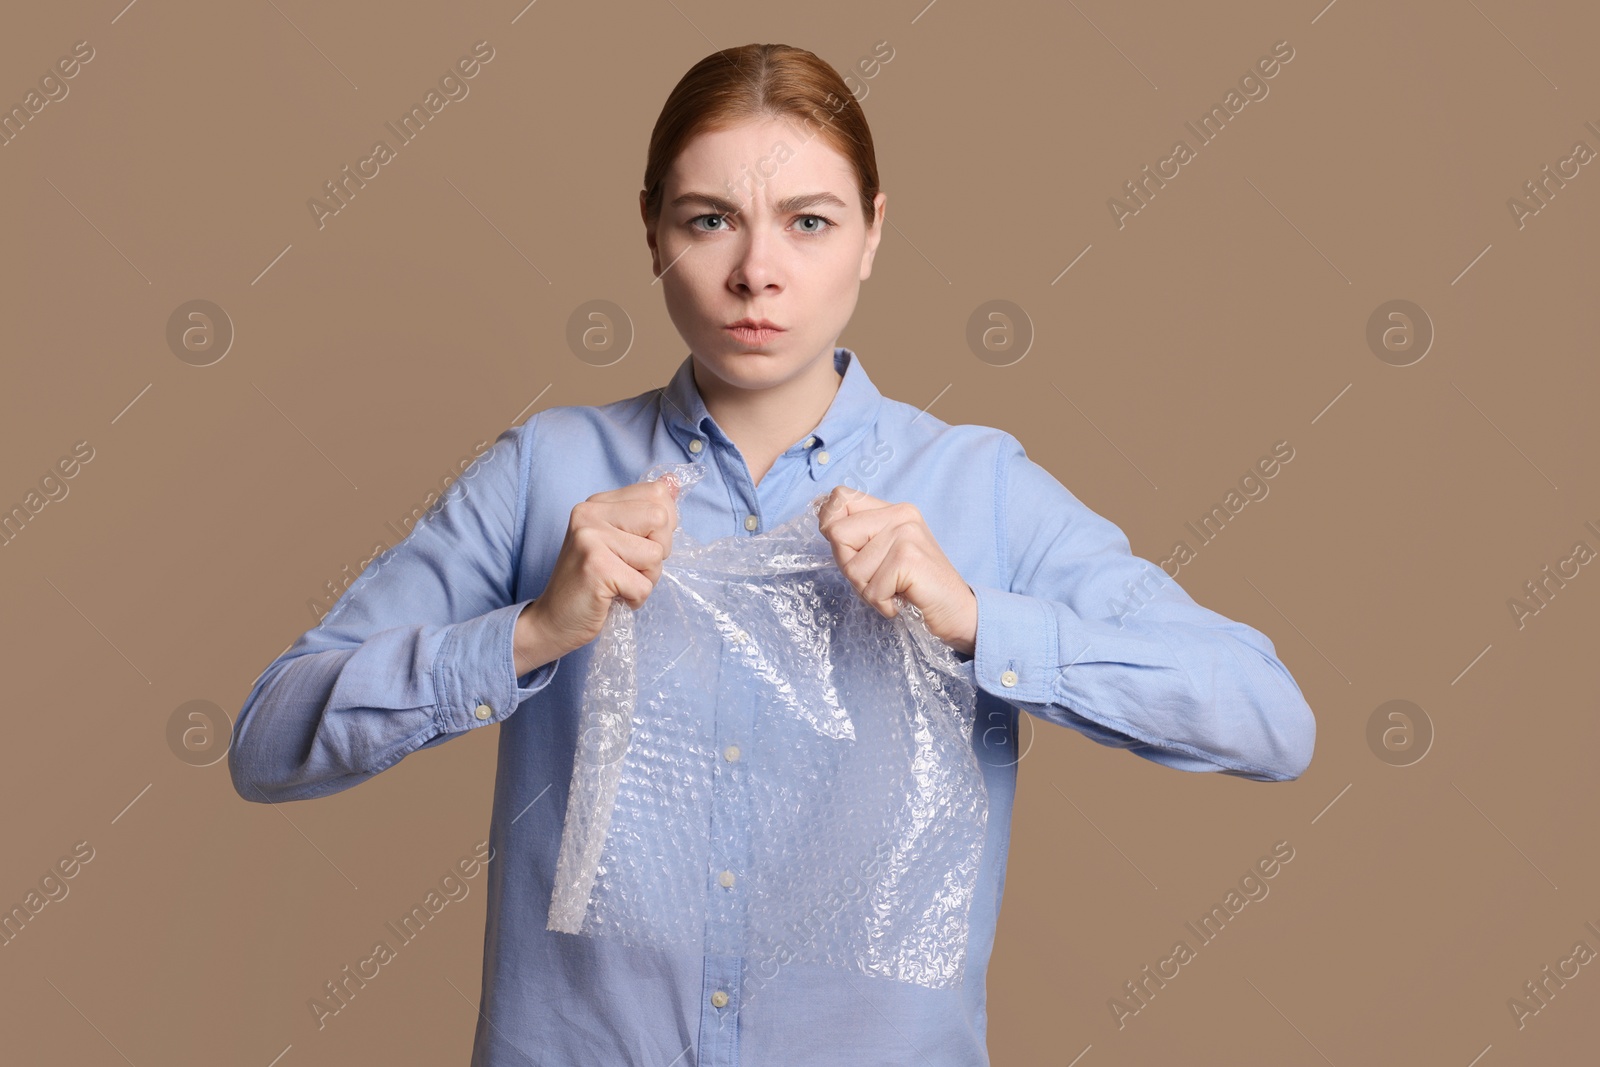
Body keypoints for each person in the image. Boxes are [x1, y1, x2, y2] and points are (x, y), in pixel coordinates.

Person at [230, 42, 1316, 1066]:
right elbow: (269, 740)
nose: (758, 271)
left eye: (807, 220)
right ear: (651, 228)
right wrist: (527, 634)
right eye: (711, 220)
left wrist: (980, 618)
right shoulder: (545, 473)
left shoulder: (973, 488)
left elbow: (1269, 718)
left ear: (872, 232)